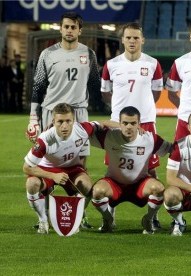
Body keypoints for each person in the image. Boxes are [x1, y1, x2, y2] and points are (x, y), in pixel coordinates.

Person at [26, 12, 100, 156]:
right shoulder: (47, 54)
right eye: (66, 26)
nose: (69, 30)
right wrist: (33, 118)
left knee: (80, 158)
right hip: (52, 112)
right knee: (48, 157)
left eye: (73, 27)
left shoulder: (89, 54)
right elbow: (38, 87)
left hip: (78, 112)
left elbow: (95, 84)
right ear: (60, 29)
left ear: (80, 30)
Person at [90, 106, 172, 234]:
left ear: (139, 124)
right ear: (119, 123)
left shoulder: (149, 139)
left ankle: (148, 219)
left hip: (139, 185)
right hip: (114, 184)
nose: (129, 127)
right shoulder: (109, 136)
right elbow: (84, 133)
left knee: (159, 188)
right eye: (125, 123)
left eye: (133, 123)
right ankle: (107, 219)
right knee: (97, 191)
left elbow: (172, 149)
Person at [101, 22, 164, 177]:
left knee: (150, 168)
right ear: (122, 40)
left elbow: (157, 91)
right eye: (128, 37)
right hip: (118, 122)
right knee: (115, 167)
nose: (132, 41)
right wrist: (118, 109)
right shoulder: (111, 65)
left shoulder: (153, 64)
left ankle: (153, 200)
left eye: (136, 38)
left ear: (142, 40)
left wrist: (143, 108)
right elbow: (105, 92)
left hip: (146, 122)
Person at [23, 103, 95, 234]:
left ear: (74, 120)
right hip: (48, 170)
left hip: (72, 169)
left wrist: (122, 126)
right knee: (31, 183)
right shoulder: (45, 139)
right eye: (60, 121)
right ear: (53, 121)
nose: (65, 125)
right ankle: (43, 220)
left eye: (68, 121)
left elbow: (103, 125)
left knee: (88, 186)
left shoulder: (82, 129)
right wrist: (53, 176)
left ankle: (77, 217)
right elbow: (27, 168)